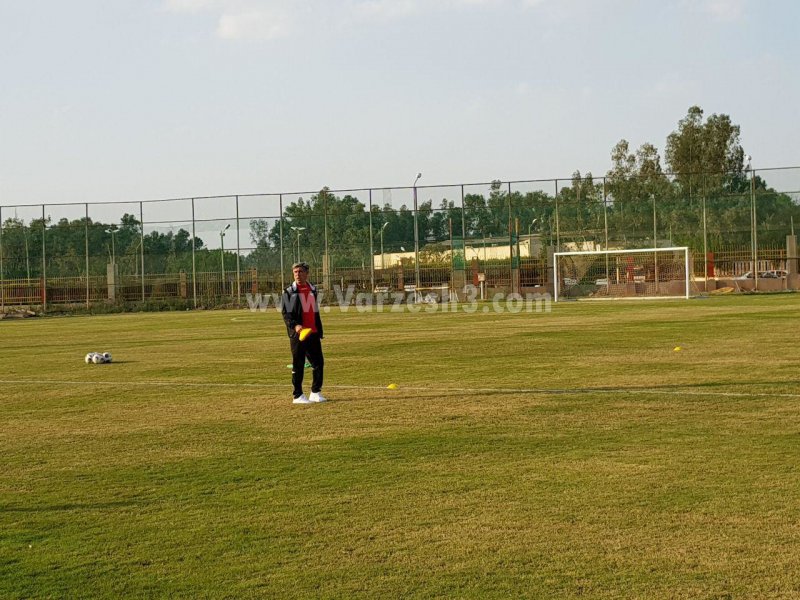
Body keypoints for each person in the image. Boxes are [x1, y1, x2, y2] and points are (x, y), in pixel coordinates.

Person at [281, 262, 326, 404]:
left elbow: (315, 312)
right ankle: (298, 395)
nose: (297, 274)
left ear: (307, 273)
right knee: (298, 364)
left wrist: (319, 329)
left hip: (312, 333)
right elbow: (286, 314)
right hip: (298, 334)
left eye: (300, 271)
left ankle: (315, 392)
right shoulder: (289, 292)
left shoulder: (312, 289)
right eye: (295, 272)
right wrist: (295, 326)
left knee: (318, 363)